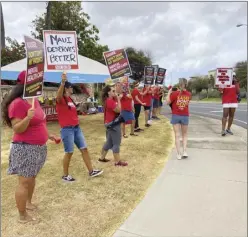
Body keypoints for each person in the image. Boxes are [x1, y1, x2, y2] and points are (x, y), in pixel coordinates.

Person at [2, 70, 59, 223]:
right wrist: (28, 117)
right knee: (24, 181)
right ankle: (22, 216)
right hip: (25, 148)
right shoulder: (17, 103)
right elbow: (17, 128)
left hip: (38, 147)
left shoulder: (33, 100)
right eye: (37, 81)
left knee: (31, 177)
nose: (40, 84)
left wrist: (49, 135)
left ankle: (28, 203)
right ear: (26, 84)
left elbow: (39, 123)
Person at [56, 72, 103, 181]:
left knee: (84, 148)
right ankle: (65, 175)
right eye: (70, 87)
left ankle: (91, 171)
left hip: (76, 128)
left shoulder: (70, 99)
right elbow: (58, 96)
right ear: (66, 88)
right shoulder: (61, 99)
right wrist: (63, 82)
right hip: (67, 129)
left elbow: (73, 109)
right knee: (69, 152)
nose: (72, 88)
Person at [98, 85, 128, 166]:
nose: (115, 92)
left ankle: (102, 158)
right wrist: (118, 99)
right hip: (113, 124)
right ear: (108, 93)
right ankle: (117, 162)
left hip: (109, 124)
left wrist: (117, 99)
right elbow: (119, 110)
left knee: (109, 142)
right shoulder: (110, 101)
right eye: (113, 91)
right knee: (116, 143)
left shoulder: (108, 100)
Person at [166, 78, 191, 160]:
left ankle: (178, 154)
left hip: (176, 115)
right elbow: (187, 104)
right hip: (185, 115)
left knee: (177, 135)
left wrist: (169, 92)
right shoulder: (188, 94)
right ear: (186, 84)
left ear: (179, 84)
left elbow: (167, 102)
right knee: (185, 135)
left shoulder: (175, 94)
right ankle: (185, 151)